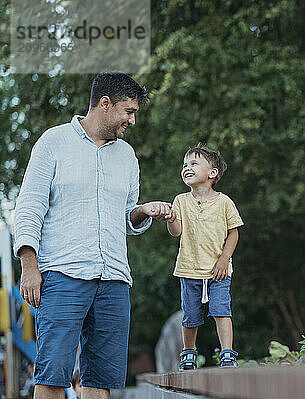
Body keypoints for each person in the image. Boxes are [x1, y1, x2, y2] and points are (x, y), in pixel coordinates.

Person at [13, 71, 173, 399]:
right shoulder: (53, 143)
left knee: (100, 381)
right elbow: (29, 207)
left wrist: (143, 211)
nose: (132, 120)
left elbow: (126, 217)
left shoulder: (127, 156)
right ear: (104, 104)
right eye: (128, 111)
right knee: (52, 377)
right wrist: (29, 265)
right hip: (62, 275)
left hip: (113, 278)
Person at [166, 146, 243, 369]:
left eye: (193, 164)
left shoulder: (224, 202)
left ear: (212, 173)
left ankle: (227, 353)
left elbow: (233, 232)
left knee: (221, 310)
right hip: (189, 269)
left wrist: (224, 258)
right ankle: (188, 352)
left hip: (218, 271)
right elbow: (176, 231)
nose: (186, 168)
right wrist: (171, 218)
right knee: (190, 316)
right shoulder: (181, 200)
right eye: (184, 165)